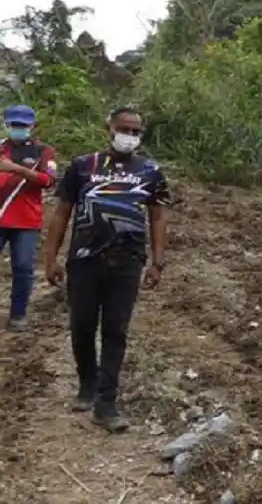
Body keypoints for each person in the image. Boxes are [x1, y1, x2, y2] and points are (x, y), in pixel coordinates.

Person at [43, 108, 171, 432]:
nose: (129, 135)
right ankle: (87, 382)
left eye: (136, 131)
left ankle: (106, 402)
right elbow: (61, 214)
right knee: (82, 326)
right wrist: (50, 258)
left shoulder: (151, 171)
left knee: (116, 331)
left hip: (127, 262)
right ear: (109, 128)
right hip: (84, 260)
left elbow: (157, 217)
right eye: (124, 128)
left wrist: (157, 262)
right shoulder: (83, 166)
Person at [0, 104, 57, 331]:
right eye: (14, 124)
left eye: (23, 125)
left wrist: (17, 169)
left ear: (32, 126)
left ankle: (18, 313)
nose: (19, 128)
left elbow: (48, 180)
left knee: (23, 267)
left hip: (26, 221)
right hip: (1, 215)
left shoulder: (43, 152)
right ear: (6, 125)